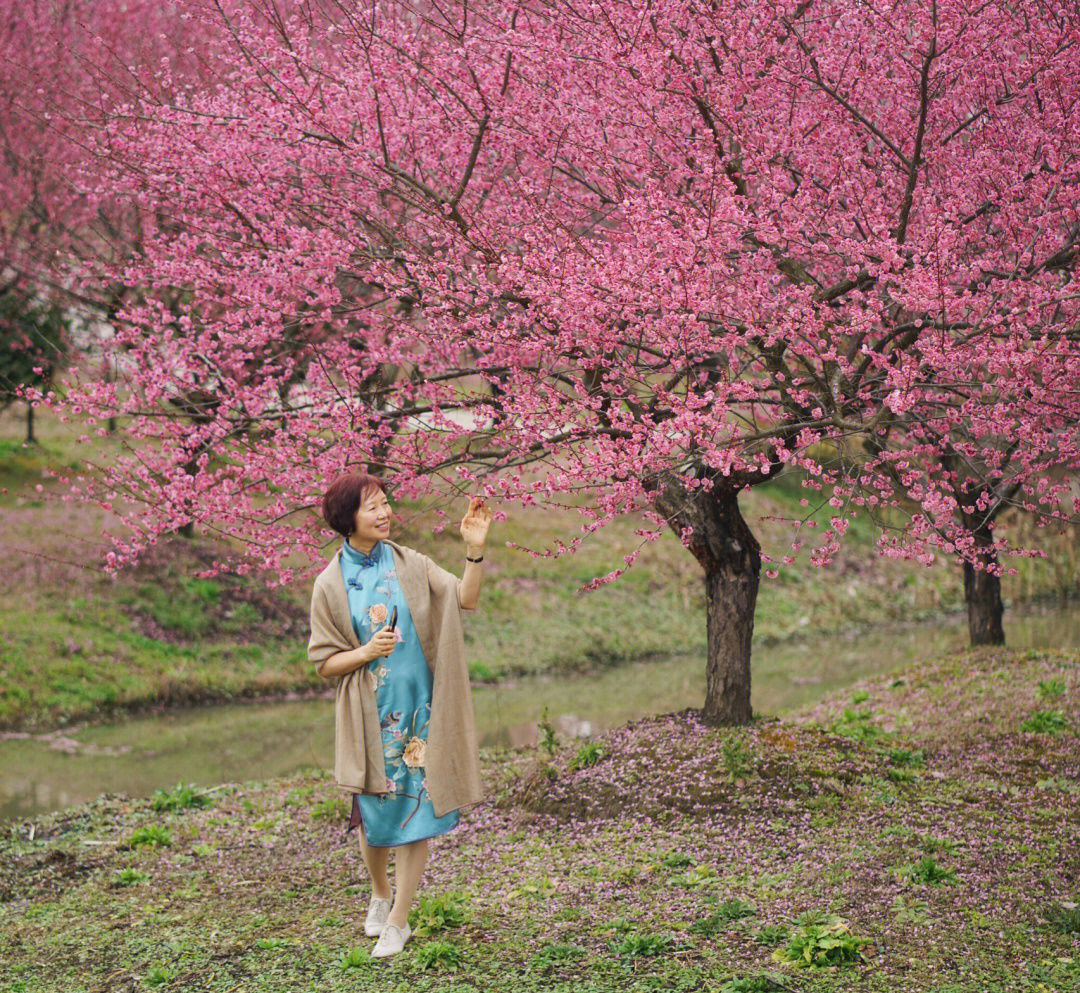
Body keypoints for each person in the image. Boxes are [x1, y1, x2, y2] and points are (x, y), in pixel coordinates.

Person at [307, 471, 492, 958]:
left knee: (418, 814)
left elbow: (466, 599)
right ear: (348, 519)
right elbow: (324, 662)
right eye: (373, 507)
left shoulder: (411, 564)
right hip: (370, 717)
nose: (385, 513)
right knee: (375, 818)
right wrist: (367, 651)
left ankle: (399, 920)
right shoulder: (329, 584)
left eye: (386, 503)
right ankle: (380, 892)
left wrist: (474, 550)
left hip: (421, 714)